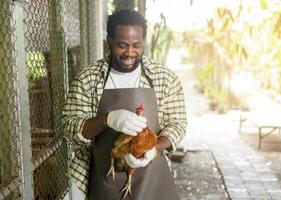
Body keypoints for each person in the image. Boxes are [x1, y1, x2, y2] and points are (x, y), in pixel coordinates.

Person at [62, 9, 187, 200]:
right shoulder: (88, 79)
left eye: (136, 45)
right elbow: (69, 126)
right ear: (109, 41)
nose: (130, 53)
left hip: (151, 176)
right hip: (103, 176)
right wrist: (107, 119)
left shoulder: (164, 78)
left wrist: (154, 150)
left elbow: (177, 124)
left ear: (144, 42)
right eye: (122, 45)